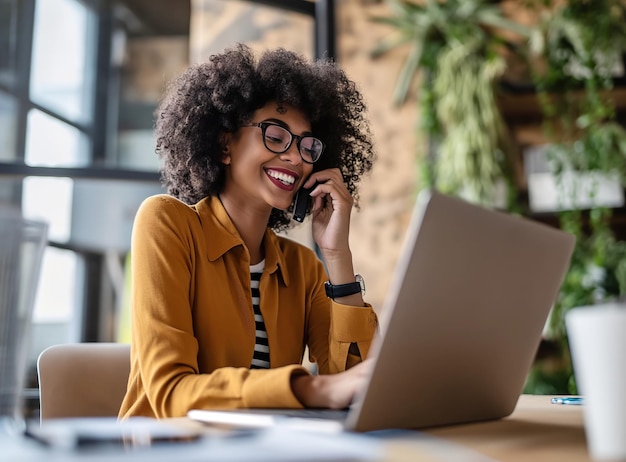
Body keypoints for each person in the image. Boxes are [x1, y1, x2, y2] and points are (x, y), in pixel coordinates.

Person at [118, 43, 378, 419]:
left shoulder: (302, 268)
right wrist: (308, 387)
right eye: (275, 136)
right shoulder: (167, 223)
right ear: (225, 144)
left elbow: (356, 387)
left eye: (308, 146)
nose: (294, 157)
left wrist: (337, 256)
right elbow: (170, 394)